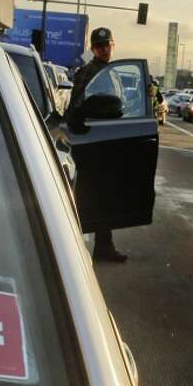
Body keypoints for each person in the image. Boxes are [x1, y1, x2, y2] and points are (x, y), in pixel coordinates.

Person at [67, 26, 128, 262]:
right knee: (87, 194)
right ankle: (70, 244)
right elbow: (76, 106)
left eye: (107, 45)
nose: (104, 49)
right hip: (92, 142)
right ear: (92, 48)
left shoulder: (111, 72)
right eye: (99, 46)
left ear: (113, 45)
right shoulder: (87, 72)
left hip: (107, 141)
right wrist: (79, 126)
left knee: (103, 195)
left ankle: (103, 245)